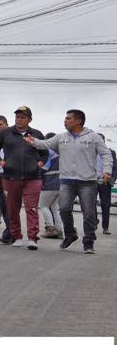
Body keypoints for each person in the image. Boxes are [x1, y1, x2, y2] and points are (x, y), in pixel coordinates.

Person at [25, 109, 111, 254]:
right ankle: (70, 234)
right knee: (64, 209)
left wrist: (107, 170)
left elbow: (105, 154)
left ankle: (89, 242)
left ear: (78, 121)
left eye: (68, 119)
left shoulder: (93, 137)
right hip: (66, 181)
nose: (65, 121)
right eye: (65, 118)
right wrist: (33, 141)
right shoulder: (61, 137)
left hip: (87, 182)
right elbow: (44, 144)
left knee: (89, 213)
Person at [0, 106, 47, 249]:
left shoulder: (36, 134)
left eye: (23, 117)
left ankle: (32, 238)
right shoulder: (5, 133)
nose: (19, 120)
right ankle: (16, 236)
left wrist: (40, 164)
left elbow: (45, 153)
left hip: (33, 177)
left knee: (31, 208)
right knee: (12, 208)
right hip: (10, 177)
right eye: (17, 117)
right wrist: (2, 162)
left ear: (30, 119)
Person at [38, 134, 62, 239]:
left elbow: (44, 168)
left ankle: (50, 228)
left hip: (49, 183)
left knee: (43, 205)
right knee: (55, 208)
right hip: (60, 184)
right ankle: (59, 230)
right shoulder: (61, 152)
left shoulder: (48, 152)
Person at [97, 134, 115, 236]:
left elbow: (115, 167)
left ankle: (105, 227)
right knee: (90, 204)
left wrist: (112, 180)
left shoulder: (111, 152)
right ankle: (94, 220)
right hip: (92, 181)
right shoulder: (90, 152)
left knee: (105, 205)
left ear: (104, 141)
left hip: (105, 181)